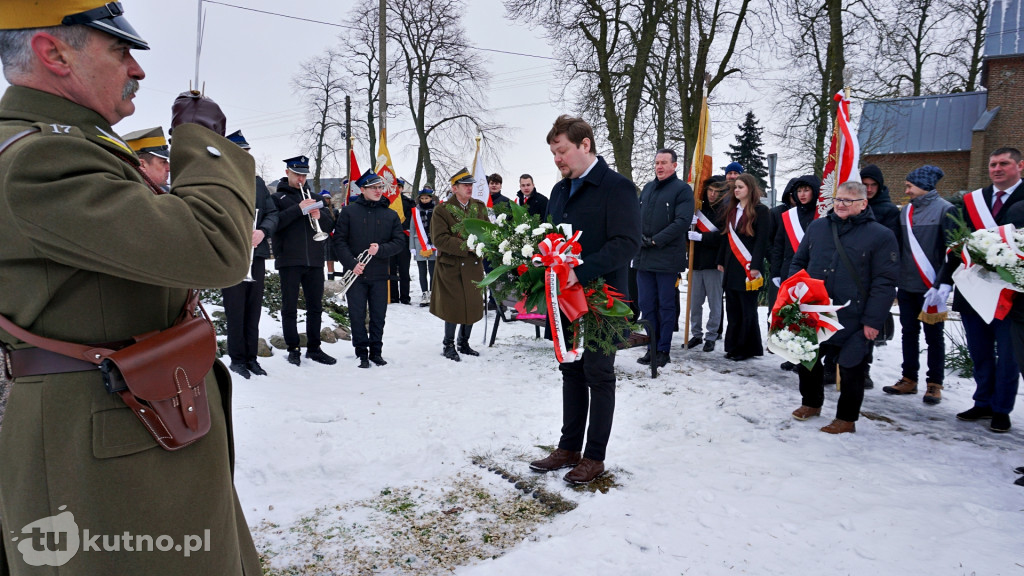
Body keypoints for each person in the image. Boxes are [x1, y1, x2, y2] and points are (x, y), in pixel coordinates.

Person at [0, 4, 261, 574]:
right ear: (53, 53)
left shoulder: (75, 144)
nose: (138, 70)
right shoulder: (41, 157)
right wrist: (205, 144)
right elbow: (215, 249)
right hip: (106, 450)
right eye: (121, 51)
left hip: (133, 417)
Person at [529, 115, 641, 485]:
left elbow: (626, 243)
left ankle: (594, 456)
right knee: (571, 369)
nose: (557, 159)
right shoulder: (560, 191)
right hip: (563, 298)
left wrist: (581, 270)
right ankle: (568, 447)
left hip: (603, 298)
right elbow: (549, 239)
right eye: (553, 153)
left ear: (585, 145)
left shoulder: (617, 187)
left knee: (598, 372)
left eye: (562, 151)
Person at [789, 181, 899, 433]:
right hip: (815, 310)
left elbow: (885, 283)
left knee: (851, 368)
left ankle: (846, 419)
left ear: (863, 204)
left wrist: (872, 321)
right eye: (838, 199)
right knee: (808, 359)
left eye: (848, 200)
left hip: (855, 315)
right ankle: (811, 403)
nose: (840, 204)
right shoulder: (818, 227)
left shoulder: (881, 235)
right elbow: (799, 262)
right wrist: (795, 292)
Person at [939, 147, 1024, 433]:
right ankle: (983, 401)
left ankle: (1002, 409)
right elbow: (955, 244)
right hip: (973, 290)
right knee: (980, 352)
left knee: (1009, 355)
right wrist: (944, 281)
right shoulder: (973, 201)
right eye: (993, 164)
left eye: (1004, 163)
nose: (997, 169)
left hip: (1011, 294)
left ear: (1020, 166)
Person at [882, 166, 957, 405]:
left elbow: (952, 251)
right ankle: (908, 378)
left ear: (923, 186)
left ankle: (934, 383)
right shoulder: (905, 212)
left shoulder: (946, 210)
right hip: (907, 284)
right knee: (908, 334)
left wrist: (943, 283)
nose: (906, 190)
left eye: (909, 186)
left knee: (933, 337)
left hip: (932, 287)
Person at [221, 129, 279, 379]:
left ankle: (252, 358)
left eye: (247, 153)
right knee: (235, 308)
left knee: (253, 309)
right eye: (241, 153)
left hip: (255, 253)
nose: (246, 157)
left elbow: (272, 213)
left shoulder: (257, 183)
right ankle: (237, 359)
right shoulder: (220, 180)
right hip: (232, 253)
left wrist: (263, 232)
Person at [332, 170, 405, 368]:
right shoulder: (349, 212)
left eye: (380, 187)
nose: (377, 191)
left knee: (378, 316)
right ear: (362, 189)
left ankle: (376, 352)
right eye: (373, 187)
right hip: (356, 275)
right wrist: (352, 264)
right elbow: (339, 242)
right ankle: (361, 352)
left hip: (380, 274)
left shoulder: (390, 214)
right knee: (356, 315)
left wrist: (381, 249)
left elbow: (399, 242)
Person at [271, 155, 337, 367]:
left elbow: (329, 227)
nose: (301, 178)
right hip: (290, 260)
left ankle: (314, 348)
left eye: (304, 174)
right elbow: (276, 224)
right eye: (297, 174)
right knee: (289, 307)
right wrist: (298, 209)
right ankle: (293, 349)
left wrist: (320, 216)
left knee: (315, 306)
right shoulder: (277, 198)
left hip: (314, 260)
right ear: (287, 173)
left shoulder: (315, 196)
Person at [634, 148, 693, 367]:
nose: (659, 166)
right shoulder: (648, 188)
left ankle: (663, 350)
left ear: (674, 165)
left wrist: (657, 240)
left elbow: (682, 221)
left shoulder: (682, 190)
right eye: (657, 162)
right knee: (646, 304)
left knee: (665, 306)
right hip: (644, 257)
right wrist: (638, 237)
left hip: (667, 258)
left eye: (664, 162)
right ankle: (651, 346)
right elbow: (636, 216)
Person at [430, 168, 488, 361]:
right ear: (454, 188)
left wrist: (486, 244)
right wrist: (467, 246)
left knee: (471, 304)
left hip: (473, 266)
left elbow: (487, 232)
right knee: (453, 306)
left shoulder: (479, 207)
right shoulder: (442, 210)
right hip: (451, 266)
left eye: (471, 185)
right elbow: (439, 239)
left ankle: (464, 342)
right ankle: (448, 344)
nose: (469, 188)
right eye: (465, 185)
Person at [769, 175, 820, 371]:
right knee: (793, 316)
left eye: (806, 190)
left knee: (810, 316)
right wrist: (775, 271)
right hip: (790, 270)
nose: (802, 194)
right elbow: (779, 245)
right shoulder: (788, 216)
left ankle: (811, 354)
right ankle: (794, 355)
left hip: (812, 272)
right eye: (799, 191)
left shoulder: (821, 215)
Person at [717, 173, 770, 361]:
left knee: (747, 309)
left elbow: (762, 241)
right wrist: (721, 260)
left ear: (750, 188)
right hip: (732, 267)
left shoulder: (760, 211)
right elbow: (726, 238)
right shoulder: (732, 210)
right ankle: (732, 346)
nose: (737, 190)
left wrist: (755, 265)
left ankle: (746, 348)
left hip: (749, 269)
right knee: (732, 308)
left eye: (740, 187)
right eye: (735, 187)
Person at [686, 176, 728, 352]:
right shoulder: (697, 210)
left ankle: (711, 336)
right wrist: (690, 227)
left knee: (714, 303)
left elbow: (724, 237)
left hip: (714, 263)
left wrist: (703, 237)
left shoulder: (725, 211)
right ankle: (696, 334)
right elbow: (686, 236)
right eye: (710, 190)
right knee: (694, 303)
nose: (712, 194)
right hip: (696, 263)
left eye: (717, 192)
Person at [389, 178, 413, 304]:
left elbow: (410, 220)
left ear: (402, 188)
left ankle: (405, 296)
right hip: (390, 241)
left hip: (404, 239)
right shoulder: (386, 202)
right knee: (391, 269)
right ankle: (393, 296)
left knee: (404, 269)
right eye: (395, 186)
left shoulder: (409, 203)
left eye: (399, 186)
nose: (397, 189)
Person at [411, 188, 437, 306]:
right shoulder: (415, 211)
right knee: (422, 271)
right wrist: (412, 246)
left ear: (431, 198)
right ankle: (424, 293)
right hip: (419, 244)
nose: (424, 200)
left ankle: (432, 293)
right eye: (422, 198)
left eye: (427, 198)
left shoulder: (436, 210)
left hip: (432, 244)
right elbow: (412, 230)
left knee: (432, 271)